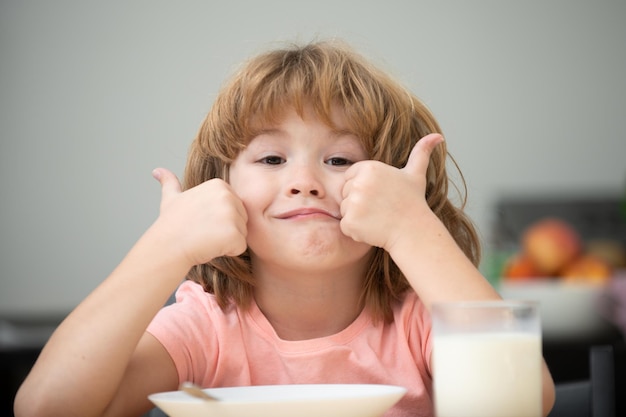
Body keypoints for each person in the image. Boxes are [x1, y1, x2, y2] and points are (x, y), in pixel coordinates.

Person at [14, 40, 555, 417]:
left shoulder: (419, 323)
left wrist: (415, 230)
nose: (304, 181)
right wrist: (165, 247)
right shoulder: (206, 328)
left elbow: (522, 402)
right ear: (220, 190)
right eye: (271, 160)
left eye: (340, 161)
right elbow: (48, 408)